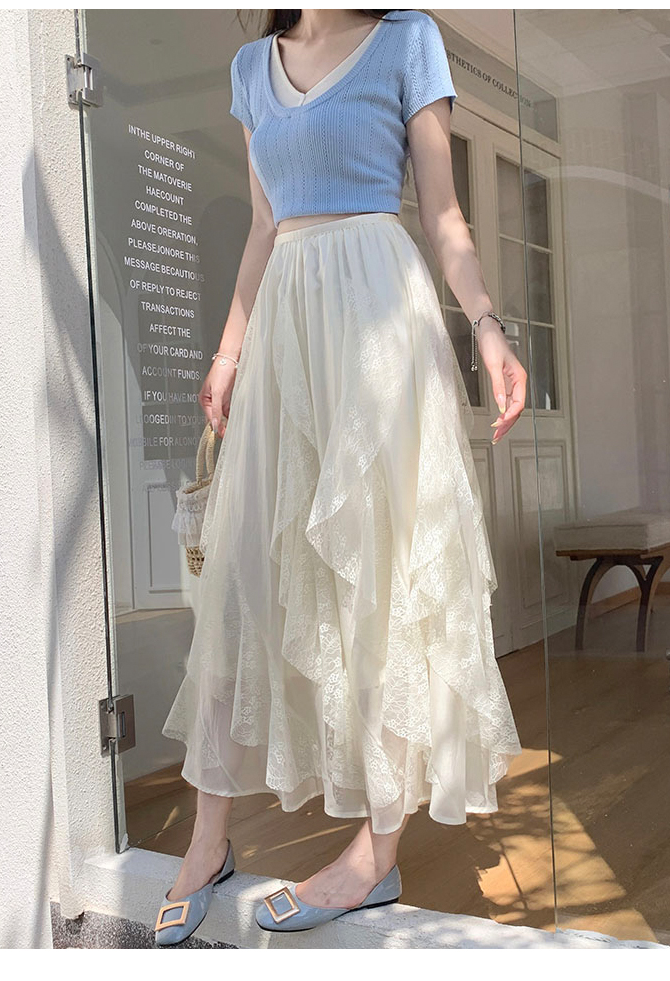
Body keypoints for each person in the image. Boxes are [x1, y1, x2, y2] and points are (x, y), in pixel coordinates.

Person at [154, 8, 526, 944]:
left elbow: (442, 214)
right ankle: (206, 840)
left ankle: (374, 851)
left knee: (381, 580)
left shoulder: (407, 40)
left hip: (376, 320)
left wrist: (487, 327)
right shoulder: (252, 68)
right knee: (240, 581)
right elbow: (263, 225)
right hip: (287, 331)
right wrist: (229, 354)